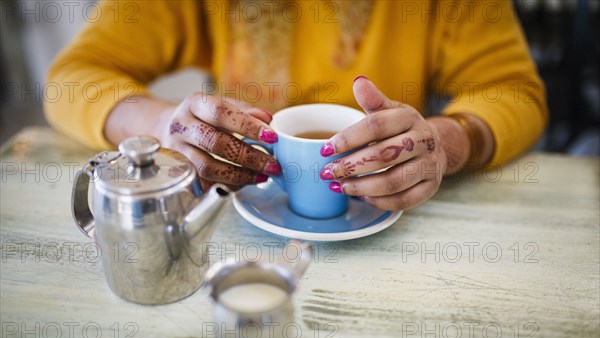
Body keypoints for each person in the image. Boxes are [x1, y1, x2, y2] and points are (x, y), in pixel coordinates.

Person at [45, 0, 547, 210]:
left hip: (392, 210)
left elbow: (513, 91)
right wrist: (163, 123)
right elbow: (69, 80)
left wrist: (445, 143)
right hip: (231, 221)